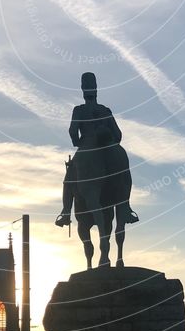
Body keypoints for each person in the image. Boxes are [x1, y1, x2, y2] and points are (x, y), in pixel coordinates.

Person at [55, 72, 139, 227]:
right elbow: (118, 134)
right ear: (96, 88)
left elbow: (72, 131)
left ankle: (66, 212)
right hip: (107, 147)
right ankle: (126, 206)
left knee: (69, 179)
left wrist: (78, 142)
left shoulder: (79, 110)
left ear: (82, 89)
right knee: (123, 170)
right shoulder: (105, 110)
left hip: (86, 147)